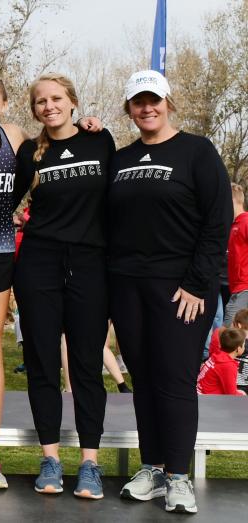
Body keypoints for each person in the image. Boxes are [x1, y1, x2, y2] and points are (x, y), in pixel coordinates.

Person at [109, 70, 231, 514]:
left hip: (181, 289)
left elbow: (216, 222)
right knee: (143, 380)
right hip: (127, 286)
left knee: (175, 379)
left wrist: (199, 283)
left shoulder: (197, 151)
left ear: (168, 102)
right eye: (138, 102)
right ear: (129, 108)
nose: (147, 108)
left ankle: (179, 476)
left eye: (154, 100)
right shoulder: (120, 160)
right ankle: (153, 468)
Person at [13, 73, 115, 499]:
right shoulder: (28, 153)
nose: (49, 106)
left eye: (56, 98)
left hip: (91, 265)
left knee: (87, 365)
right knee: (41, 365)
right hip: (39, 264)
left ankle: (89, 464)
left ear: (72, 102)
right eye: (41, 101)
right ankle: (50, 460)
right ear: (35, 109)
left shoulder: (101, 141)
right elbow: (7, 201)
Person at [197, 328, 246, 396]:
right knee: (243, 395)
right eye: (243, 345)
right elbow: (232, 395)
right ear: (238, 348)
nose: (244, 347)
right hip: (206, 399)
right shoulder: (228, 365)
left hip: (200, 393)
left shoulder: (217, 354)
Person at [225, 184, 248, 325]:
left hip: (244, 287)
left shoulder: (246, 222)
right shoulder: (233, 225)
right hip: (235, 288)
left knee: (228, 333)